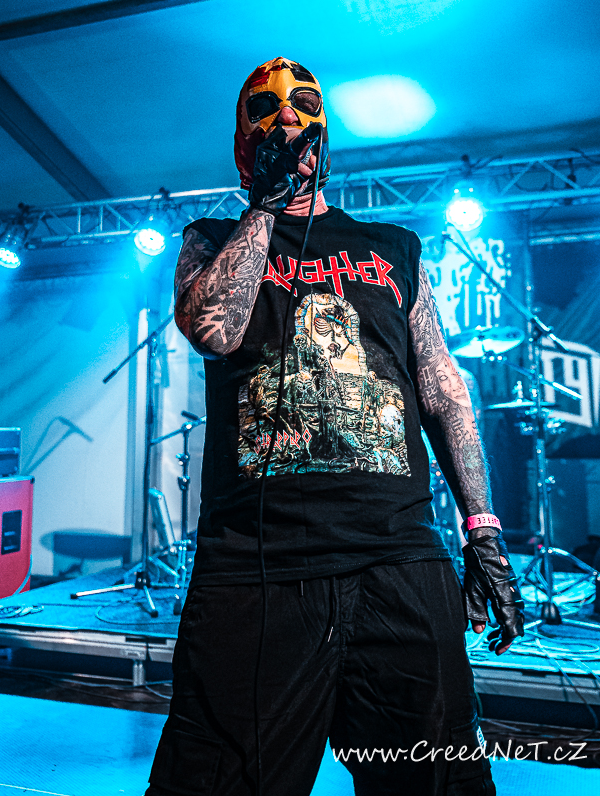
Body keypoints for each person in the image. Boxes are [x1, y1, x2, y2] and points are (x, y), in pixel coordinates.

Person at [146, 57, 524, 796]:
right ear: (242, 146)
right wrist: (264, 206)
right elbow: (213, 331)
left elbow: (442, 389)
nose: (287, 117)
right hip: (257, 571)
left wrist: (482, 528)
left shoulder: (392, 247)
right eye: (267, 110)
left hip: (399, 561)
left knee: (433, 784)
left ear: (324, 134)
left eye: (303, 106)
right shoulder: (211, 238)